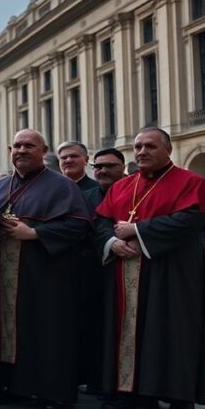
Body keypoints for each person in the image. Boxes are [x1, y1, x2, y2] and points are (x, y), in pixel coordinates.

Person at [95, 127, 205, 409]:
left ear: (168, 150)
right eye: (137, 147)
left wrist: (137, 230)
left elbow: (192, 219)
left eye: (150, 146)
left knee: (173, 331)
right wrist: (113, 243)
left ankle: (179, 397)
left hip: (173, 273)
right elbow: (101, 222)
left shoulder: (191, 181)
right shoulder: (122, 186)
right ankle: (134, 393)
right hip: (126, 272)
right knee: (132, 331)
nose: (142, 152)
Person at [0, 129, 91, 409]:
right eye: (16, 145)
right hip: (2, 272)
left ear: (43, 150)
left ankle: (54, 392)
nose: (21, 150)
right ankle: (15, 386)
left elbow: (78, 225)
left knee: (47, 330)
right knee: (9, 329)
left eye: (29, 146)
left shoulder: (62, 186)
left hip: (45, 272)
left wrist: (34, 232)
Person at [79, 148, 127, 395]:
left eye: (110, 165)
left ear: (123, 168)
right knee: (95, 328)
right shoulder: (85, 197)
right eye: (98, 167)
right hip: (91, 274)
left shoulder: (133, 191)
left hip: (128, 270)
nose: (103, 170)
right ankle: (97, 379)